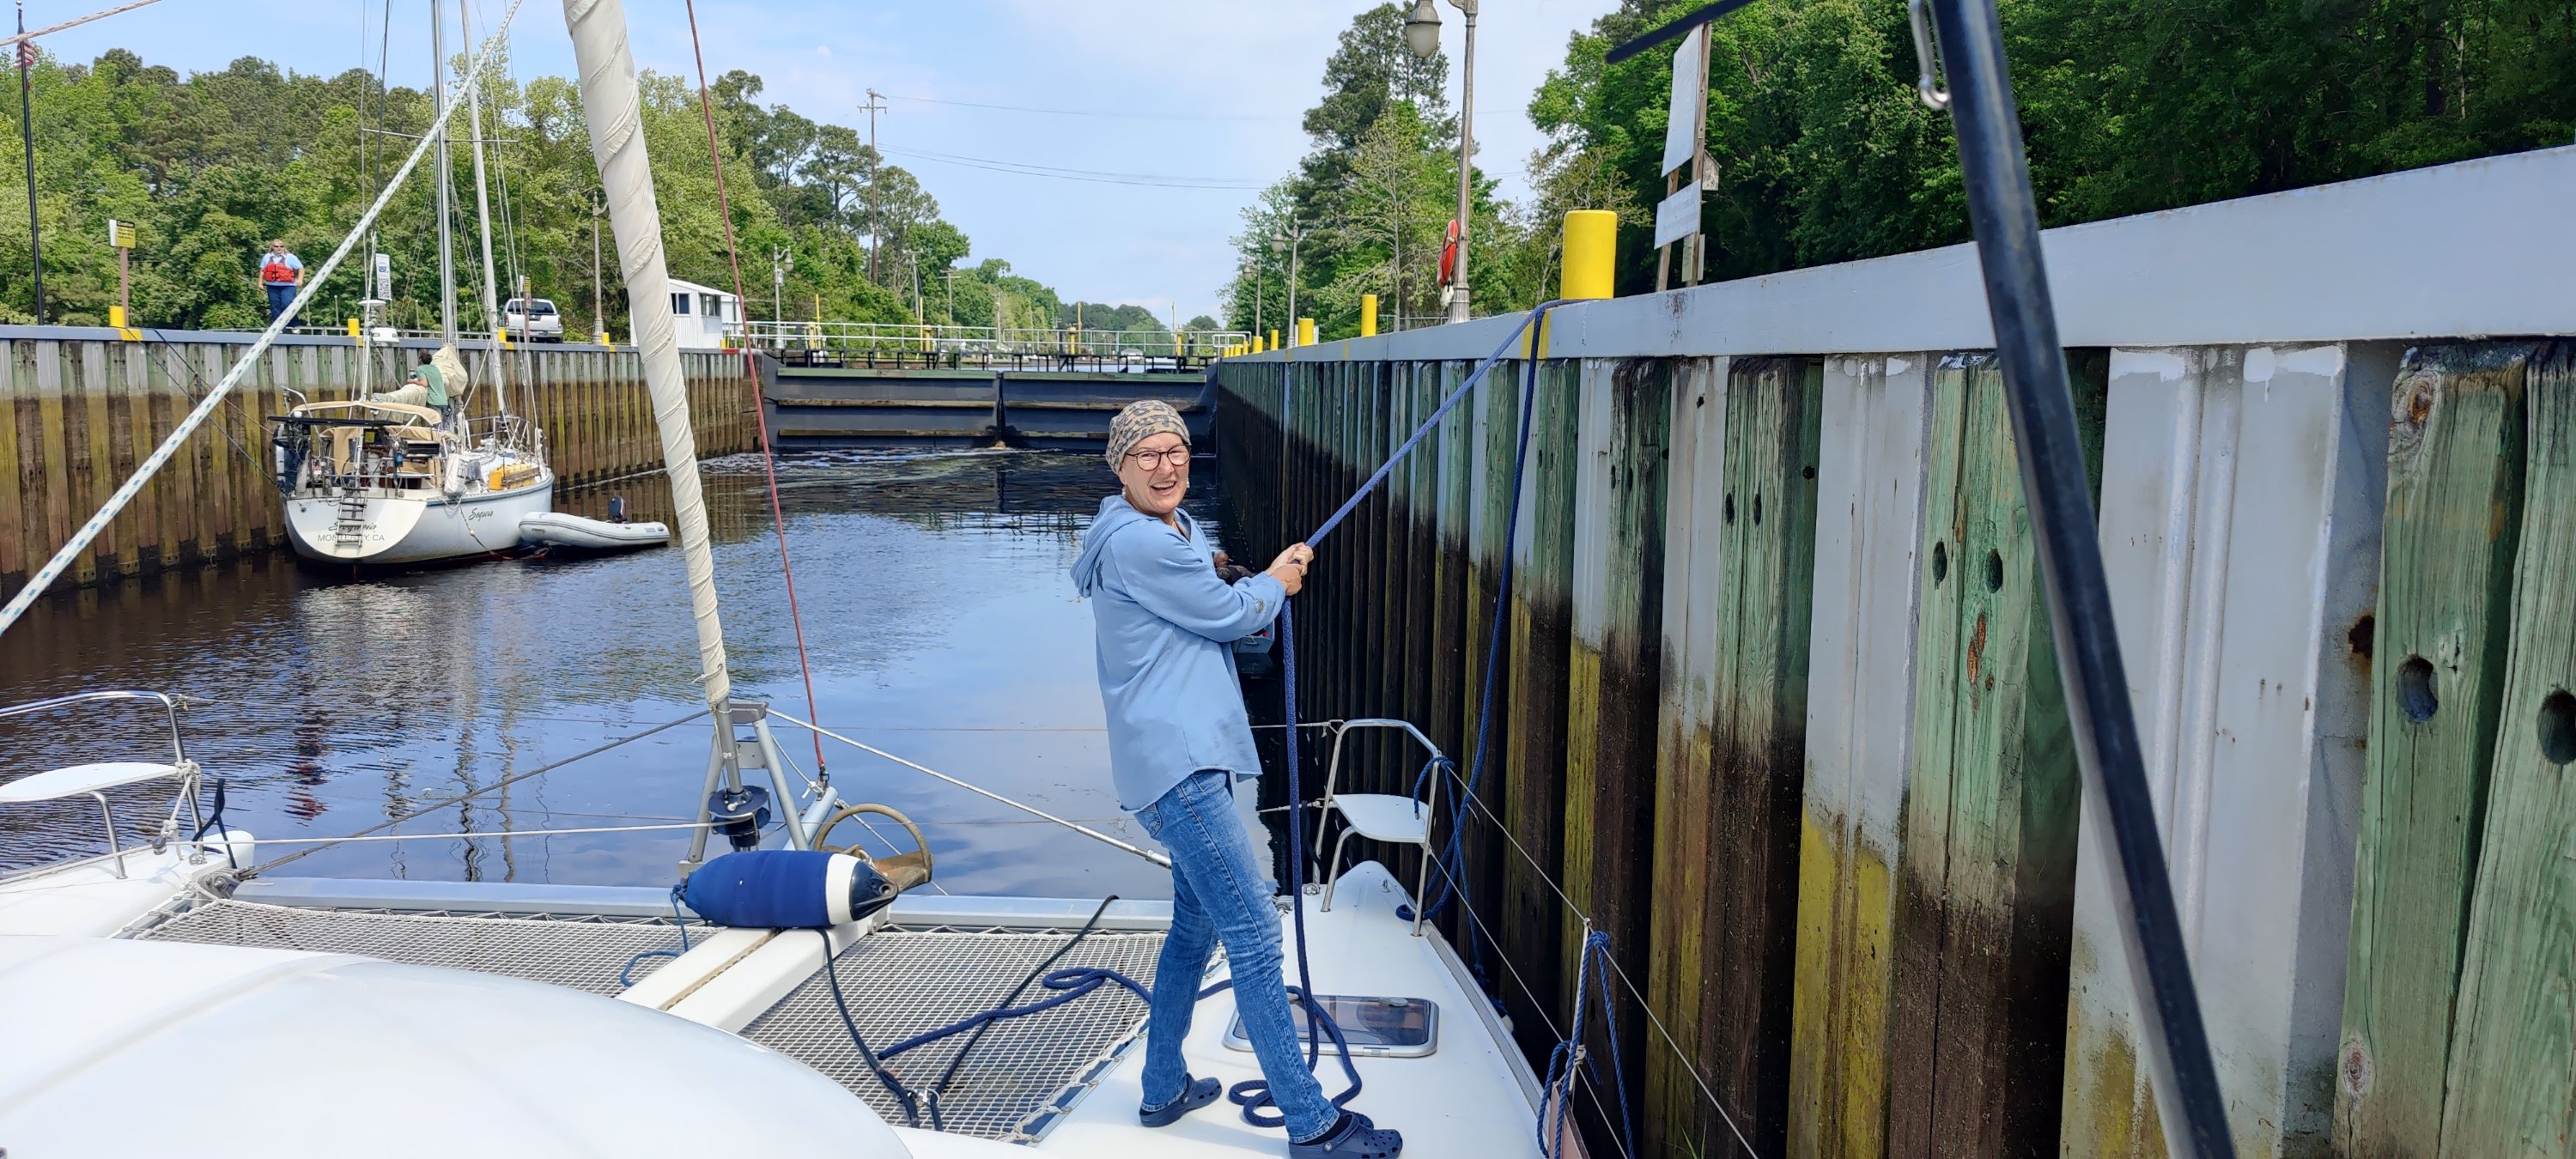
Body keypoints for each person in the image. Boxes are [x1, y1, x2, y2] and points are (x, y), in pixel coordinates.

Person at [1071, 400, 1402, 1158]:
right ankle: (1312, 1125)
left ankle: (1162, 1088)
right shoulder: (1141, 542)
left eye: (1176, 451)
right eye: (1147, 455)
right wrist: (1275, 582)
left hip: (1176, 760)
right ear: (1120, 467)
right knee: (1254, 933)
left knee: (1194, 928)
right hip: (1181, 768)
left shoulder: (1154, 529)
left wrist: (1215, 569)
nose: (1166, 467)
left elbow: (1195, 579)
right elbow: (1230, 618)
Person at [258, 240, 304, 324]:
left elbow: (301, 268)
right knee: (275, 306)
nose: (279, 248)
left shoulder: (290, 257)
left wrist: (300, 280)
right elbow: (262, 270)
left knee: (287, 304)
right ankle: (278, 326)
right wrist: (260, 283)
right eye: (276, 246)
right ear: (272, 247)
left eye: (281, 246)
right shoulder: (267, 257)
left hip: (288, 286)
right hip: (272, 285)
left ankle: (294, 324)